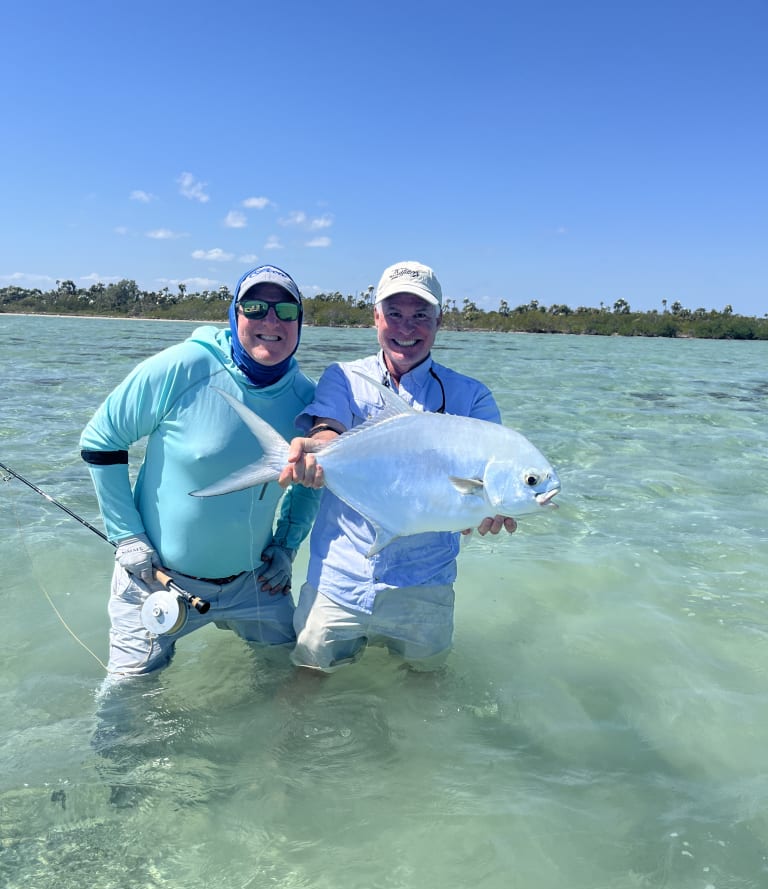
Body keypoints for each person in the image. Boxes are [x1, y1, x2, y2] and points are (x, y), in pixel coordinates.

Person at [80, 264, 320, 680]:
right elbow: (102, 440)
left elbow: (311, 481)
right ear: (234, 314)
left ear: (299, 322)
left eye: (285, 310)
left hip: (255, 585)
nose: (270, 321)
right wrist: (128, 538)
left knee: (294, 683)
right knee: (125, 706)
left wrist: (286, 547)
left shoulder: (308, 399)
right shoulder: (184, 365)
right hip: (156, 579)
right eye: (255, 307)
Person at [279, 260, 517, 673]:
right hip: (339, 579)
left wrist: (485, 508)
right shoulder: (344, 377)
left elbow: (491, 477)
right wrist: (318, 454)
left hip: (425, 585)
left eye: (420, 315)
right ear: (376, 317)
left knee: (423, 696)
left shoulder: (473, 398)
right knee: (306, 684)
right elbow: (327, 429)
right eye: (395, 314)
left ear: (439, 320)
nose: (407, 328)